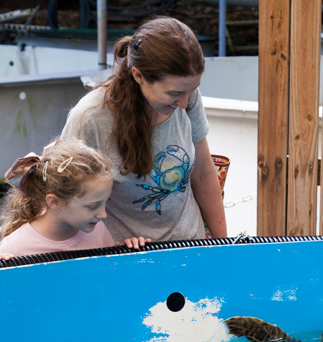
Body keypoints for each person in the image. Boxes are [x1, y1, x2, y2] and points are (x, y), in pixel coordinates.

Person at [61, 16, 227, 243]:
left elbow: (204, 173)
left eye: (192, 90)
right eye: (174, 94)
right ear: (138, 75)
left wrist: (222, 245)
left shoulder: (187, 96)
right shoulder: (90, 119)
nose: (185, 103)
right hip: (127, 256)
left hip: (191, 245)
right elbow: (64, 202)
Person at [0, 139, 149, 261]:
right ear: (54, 202)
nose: (103, 214)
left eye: (105, 203)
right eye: (92, 206)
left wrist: (127, 257)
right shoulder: (15, 248)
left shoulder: (97, 230)